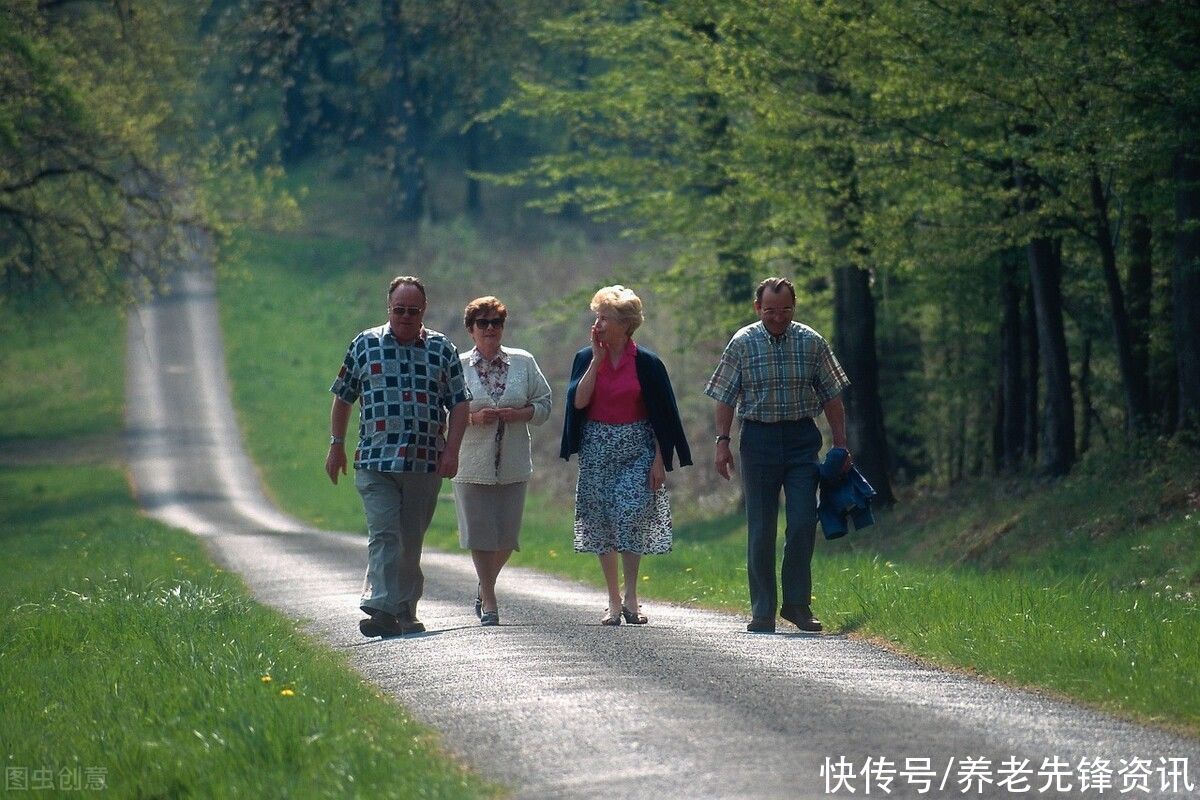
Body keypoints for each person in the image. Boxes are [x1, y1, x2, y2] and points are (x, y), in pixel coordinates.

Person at [326, 275, 471, 638]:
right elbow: (343, 396)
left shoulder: (441, 349)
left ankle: (403, 611)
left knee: (410, 539)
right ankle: (379, 605)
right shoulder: (364, 344)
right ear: (388, 308)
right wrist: (336, 444)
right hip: (376, 461)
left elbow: (460, 403)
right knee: (384, 534)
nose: (406, 316)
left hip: (424, 462)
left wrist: (451, 451)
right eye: (399, 310)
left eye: (413, 311)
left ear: (424, 311)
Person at [704, 277, 851, 634]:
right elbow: (725, 395)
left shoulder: (811, 342)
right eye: (770, 310)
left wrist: (841, 444)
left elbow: (832, 394)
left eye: (785, 310)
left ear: (794, 306)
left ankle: (797, 605)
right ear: (758, 308)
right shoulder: (742, 342)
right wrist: (722, 442)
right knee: (761, 526)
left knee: (803, 521)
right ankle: (763, 609)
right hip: (757, 440)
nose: (778, 317)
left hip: (802, 439)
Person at [560, 285, 691, 625]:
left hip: (638, 447)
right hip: (597, 447)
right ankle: (613, 601)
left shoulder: (647, 363)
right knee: (602, 519)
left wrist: (660, 459)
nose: (598, 324)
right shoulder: (585, 357)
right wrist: (597, 360)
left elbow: (663, 415)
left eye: (605, 318)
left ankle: (632, 596)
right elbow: (578, 402)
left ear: (626, 324)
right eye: (597, 317)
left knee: (632, 514)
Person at [453, 296, 553, 627]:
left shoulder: (523, 362)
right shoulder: (456, 364)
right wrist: (472, 417)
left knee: (507, 537)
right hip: (471, 463)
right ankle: (492, 602)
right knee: (480, 534)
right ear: (471, 329)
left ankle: (484, 586)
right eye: (483, 323)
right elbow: (440, 410)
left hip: (512, 463)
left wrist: (520, 413)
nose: (491, 329)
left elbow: (544, 403)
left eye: (497, 322)